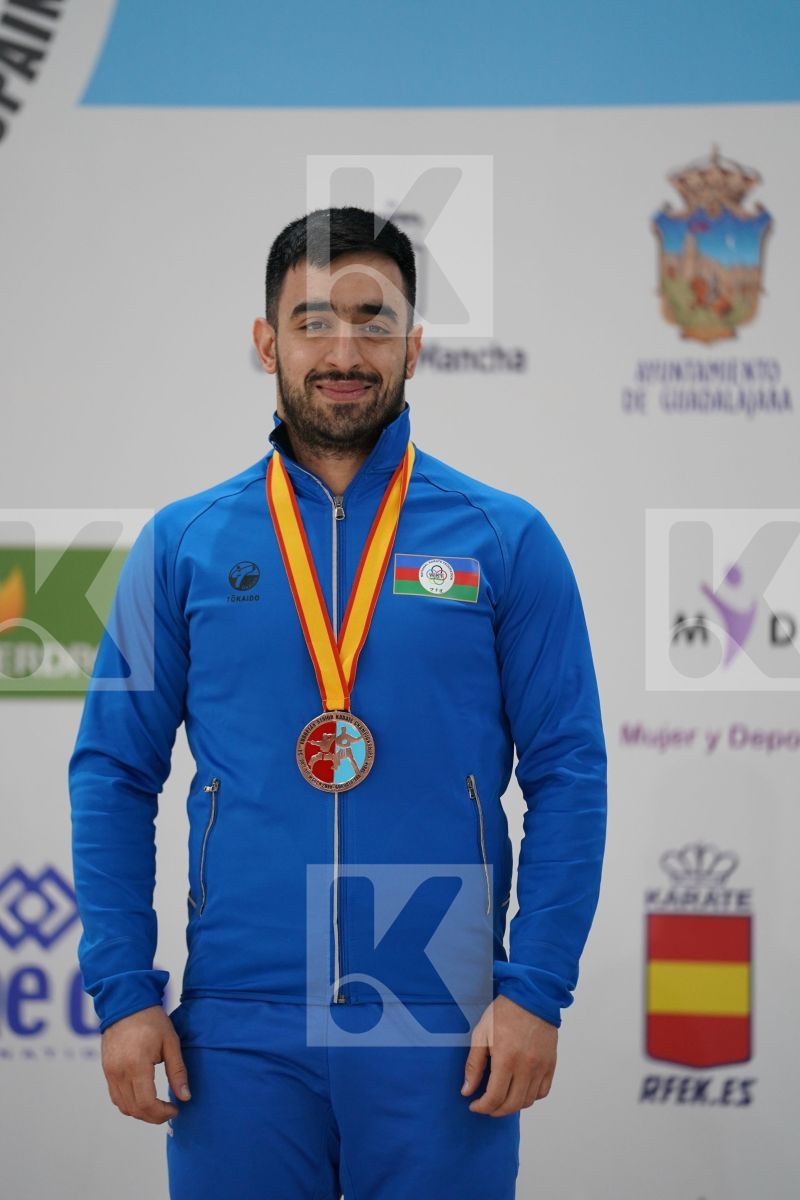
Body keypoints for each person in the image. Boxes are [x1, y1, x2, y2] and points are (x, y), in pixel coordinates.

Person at [69, 206, 607, 1199]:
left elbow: (569, 772)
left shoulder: (504, 538)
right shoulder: (181, 544)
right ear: (267, 340)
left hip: (440, 1017)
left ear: (413, 346)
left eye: (372, 321)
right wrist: (123, 991)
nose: (344, 351)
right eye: (313, 321)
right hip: (239, 1022)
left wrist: (534, 989)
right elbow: (112, 773)